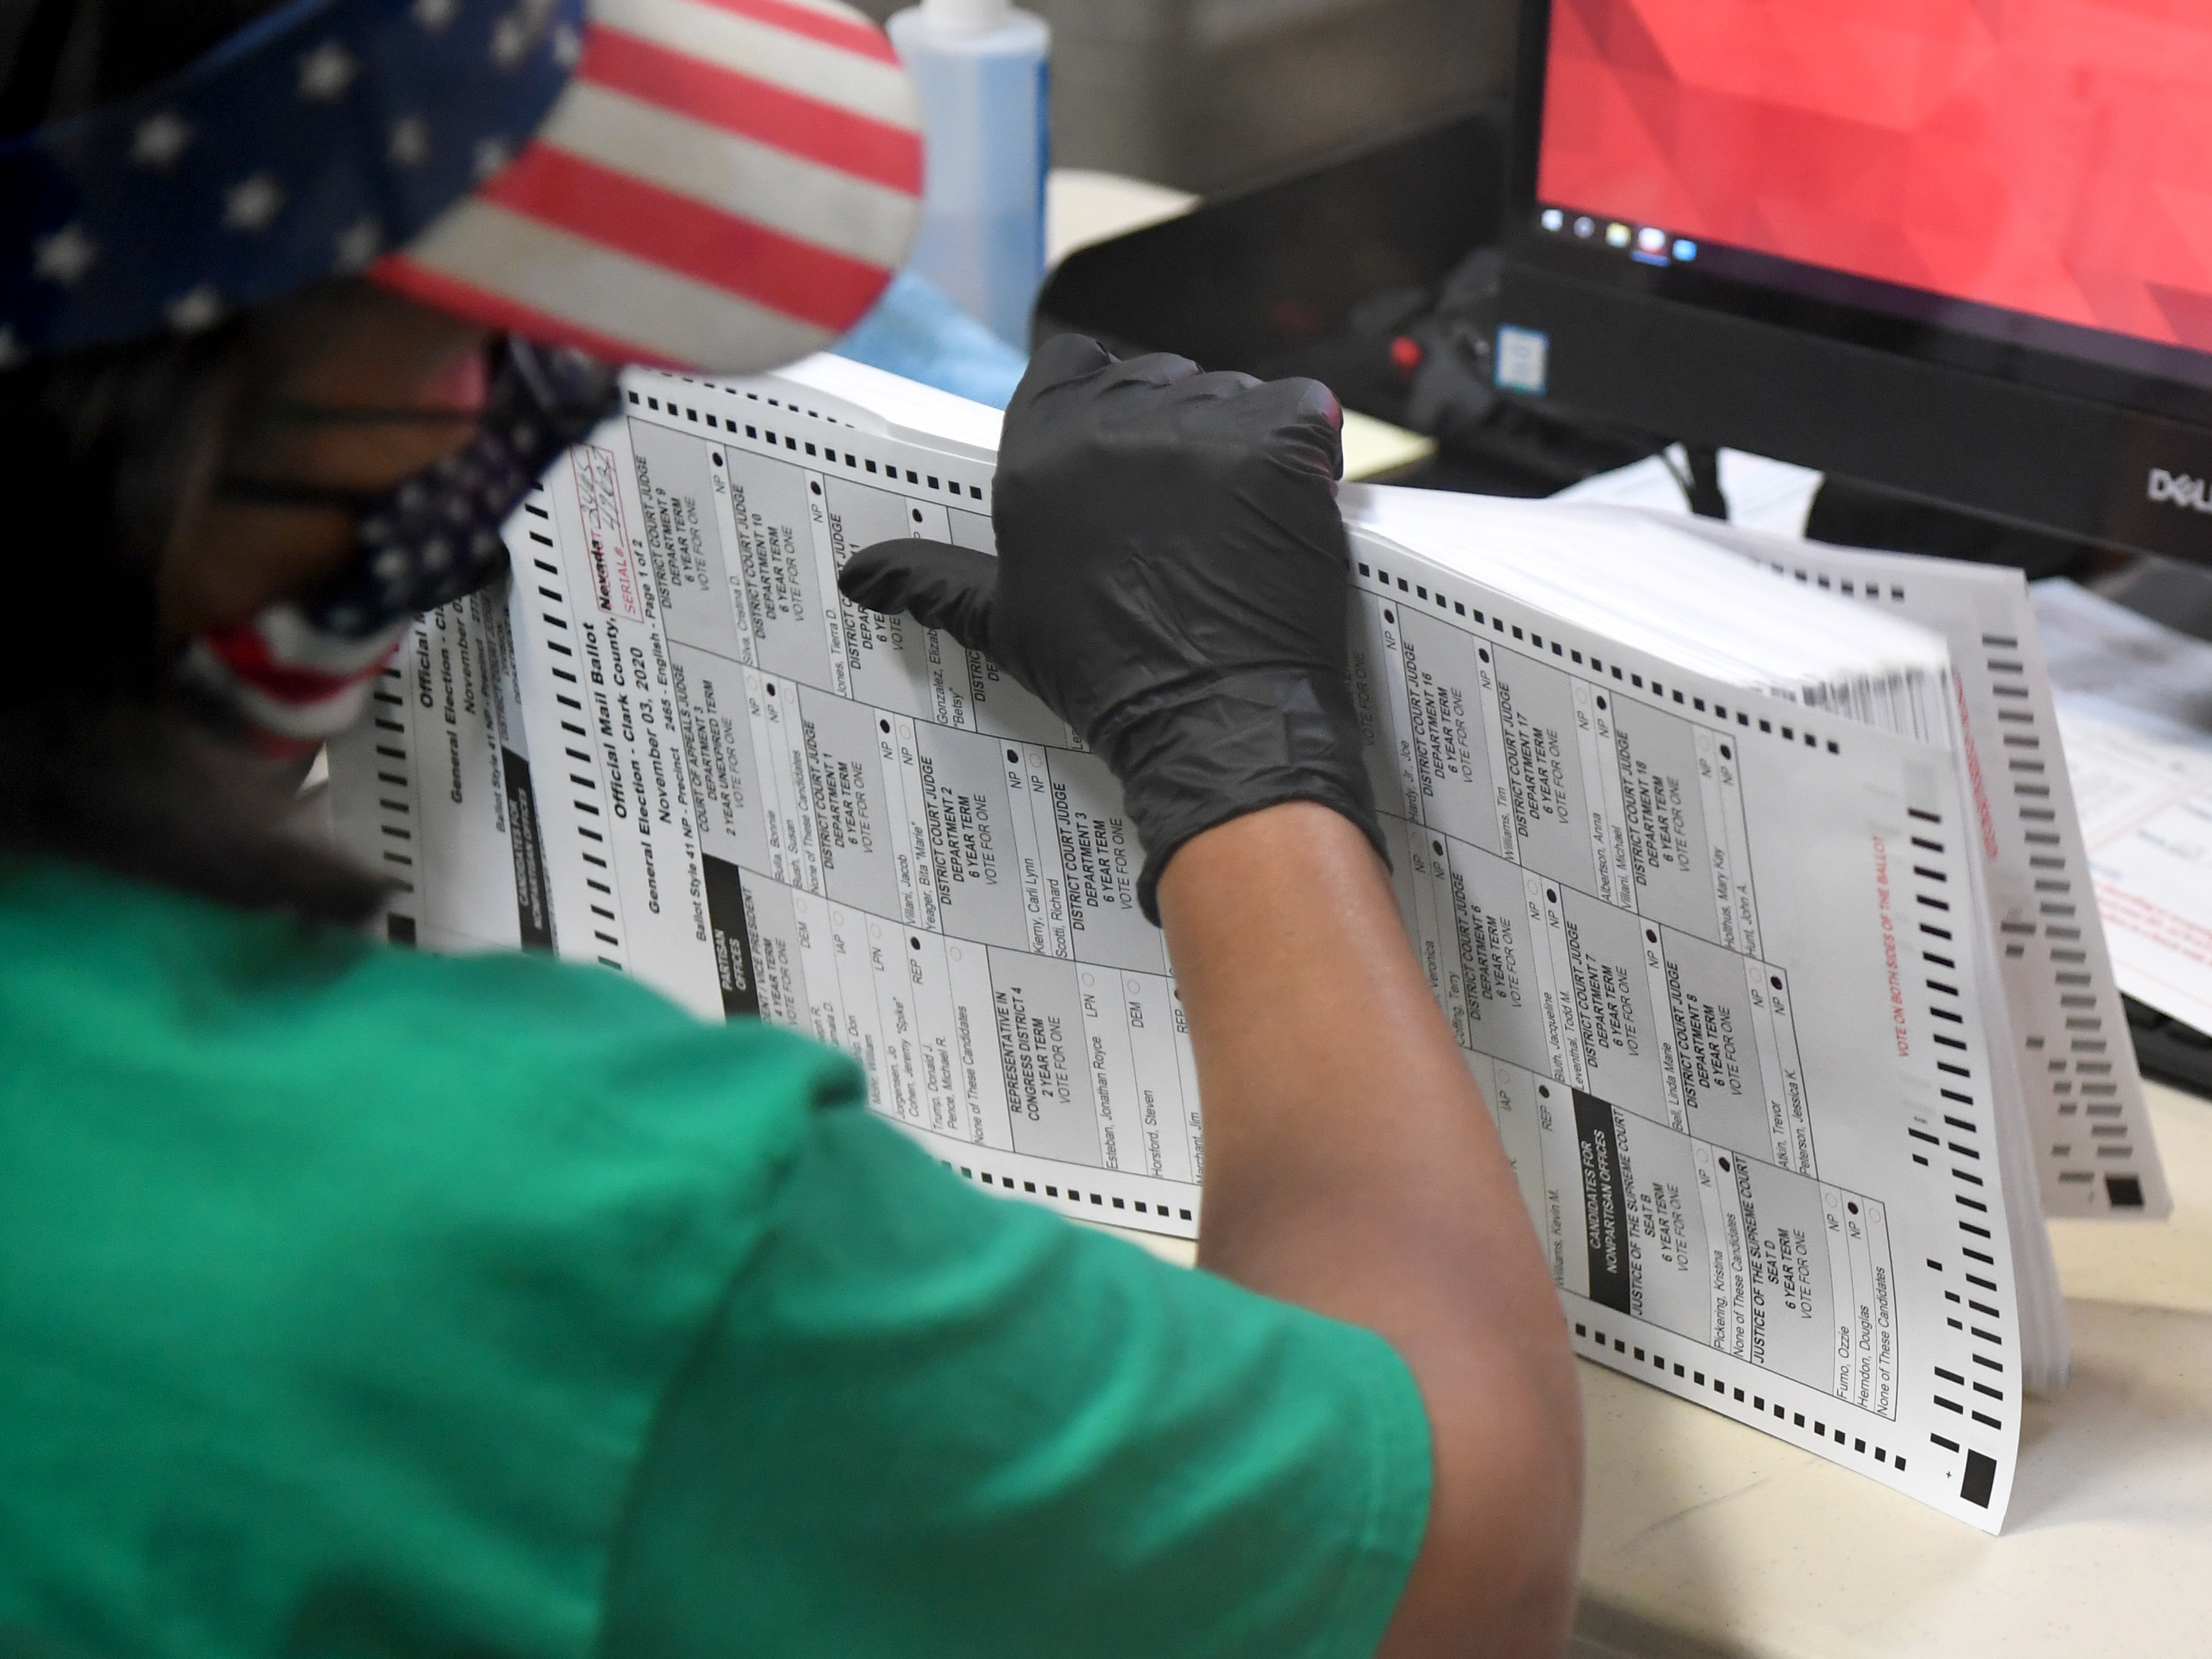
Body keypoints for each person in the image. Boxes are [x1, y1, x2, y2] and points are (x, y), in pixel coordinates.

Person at [0, 0, 1582, 1655]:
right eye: (449, 293)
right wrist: (1233, 746)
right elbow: (1456, 1551)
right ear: (143, 411)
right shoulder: (539, 1218)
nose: (510, 391)